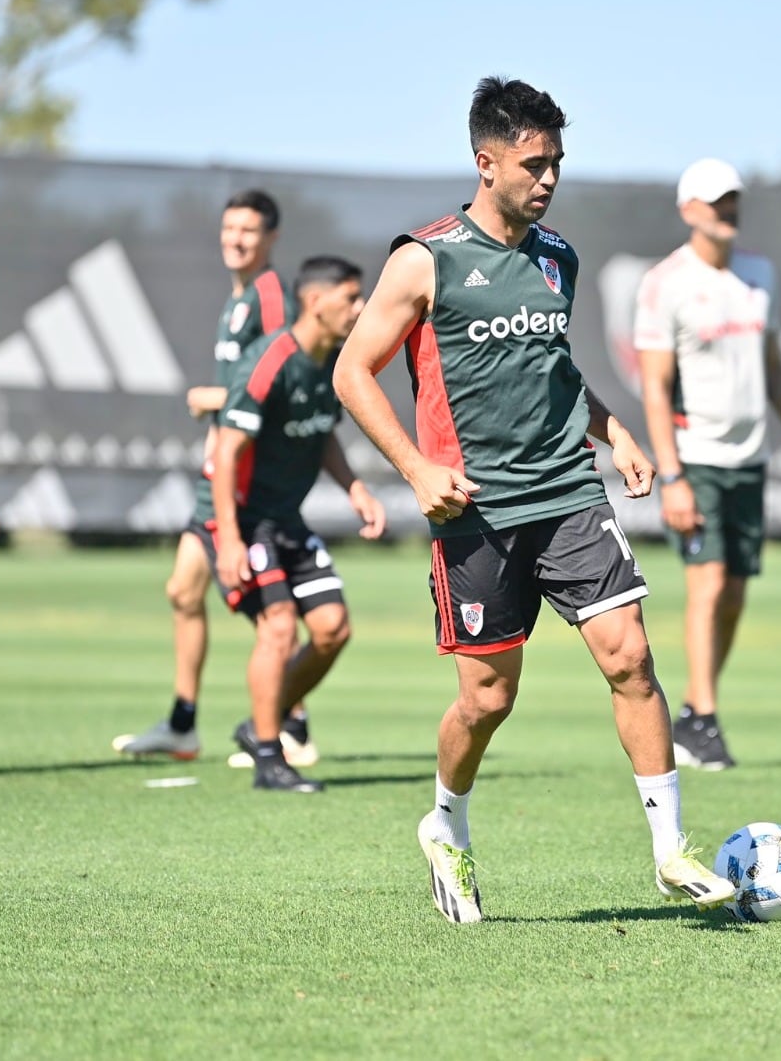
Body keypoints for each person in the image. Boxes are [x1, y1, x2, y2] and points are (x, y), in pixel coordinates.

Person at [332, 76, 735, 923]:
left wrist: (611, 428)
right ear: (485, 161)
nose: (548, 178)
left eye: (557, 162)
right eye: (533, 162)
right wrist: (413, 469)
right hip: (474, 510)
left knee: (629, 655)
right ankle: (444, 824)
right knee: (488, 700)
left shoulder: (558, 256)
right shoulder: (426, 258)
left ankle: (671, 852)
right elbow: (351, 371)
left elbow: (552, 369)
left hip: (565, 490)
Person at [633, 158, 781, 771]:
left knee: (735, 593)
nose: (727, 211)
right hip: (695, 458)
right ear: (687, 210)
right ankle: (707, 720)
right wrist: (671, 477)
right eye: (715, 201)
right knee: (710, 583)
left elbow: (774, 369)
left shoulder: (759, 274)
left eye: (733, 200)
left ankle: (694, 715)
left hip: (751, 459)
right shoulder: (664, 282)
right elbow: (654, 388)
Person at [111, 189, 315, 767]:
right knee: (184, 590)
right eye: (229, 229)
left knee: (265, 609)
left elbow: (279, 383)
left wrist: (213, 400)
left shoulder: (271, 298)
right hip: (218, 470)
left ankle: (292, 724)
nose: (236, 239)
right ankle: (183, 724)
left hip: (244, 481)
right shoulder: (238, 299)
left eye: (248, 230)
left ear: (271, 238)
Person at [213, 255, 385, 792]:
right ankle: (270, 755)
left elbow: (324, 433)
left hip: (287, 520)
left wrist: (354, 487)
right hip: (247, 521)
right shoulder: (270, 361)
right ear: (315, 301)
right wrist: (230, 540)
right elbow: (225, 451)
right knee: (281, 627)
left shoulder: (334, 360)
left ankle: (260, 721)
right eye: (350, 298)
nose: (359, 309)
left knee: (333, 629)